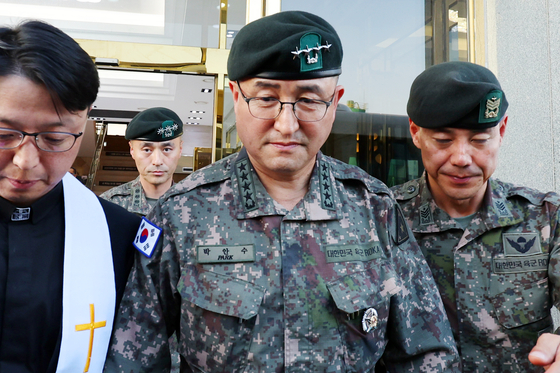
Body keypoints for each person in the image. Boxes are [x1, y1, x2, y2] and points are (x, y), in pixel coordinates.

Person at [105, 11, 459, 372]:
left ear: (335, 102)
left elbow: (427, 352)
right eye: (266, 98)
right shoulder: (180, 214)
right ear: (236, 97)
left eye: (308, 100)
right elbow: (134, 356)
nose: (286, 125)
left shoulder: (375, 209)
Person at [392, 61, 560, 372]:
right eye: (443, 140)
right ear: (416, 133)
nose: (461, 158)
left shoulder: (546, 217)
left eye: (480, 140)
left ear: (502, 131)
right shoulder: (382, 218)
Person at [0, 20, 141, 372]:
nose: (25, 162)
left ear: (85, 122)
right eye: (4, 133)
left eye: (55, 139)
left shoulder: (120, 235)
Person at [100, 107, 183, 217]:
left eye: (167, 149)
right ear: (132, 150)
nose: (157, 161)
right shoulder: (109, 206)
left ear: (180, 149)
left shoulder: (195, 206)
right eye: (147, 150)